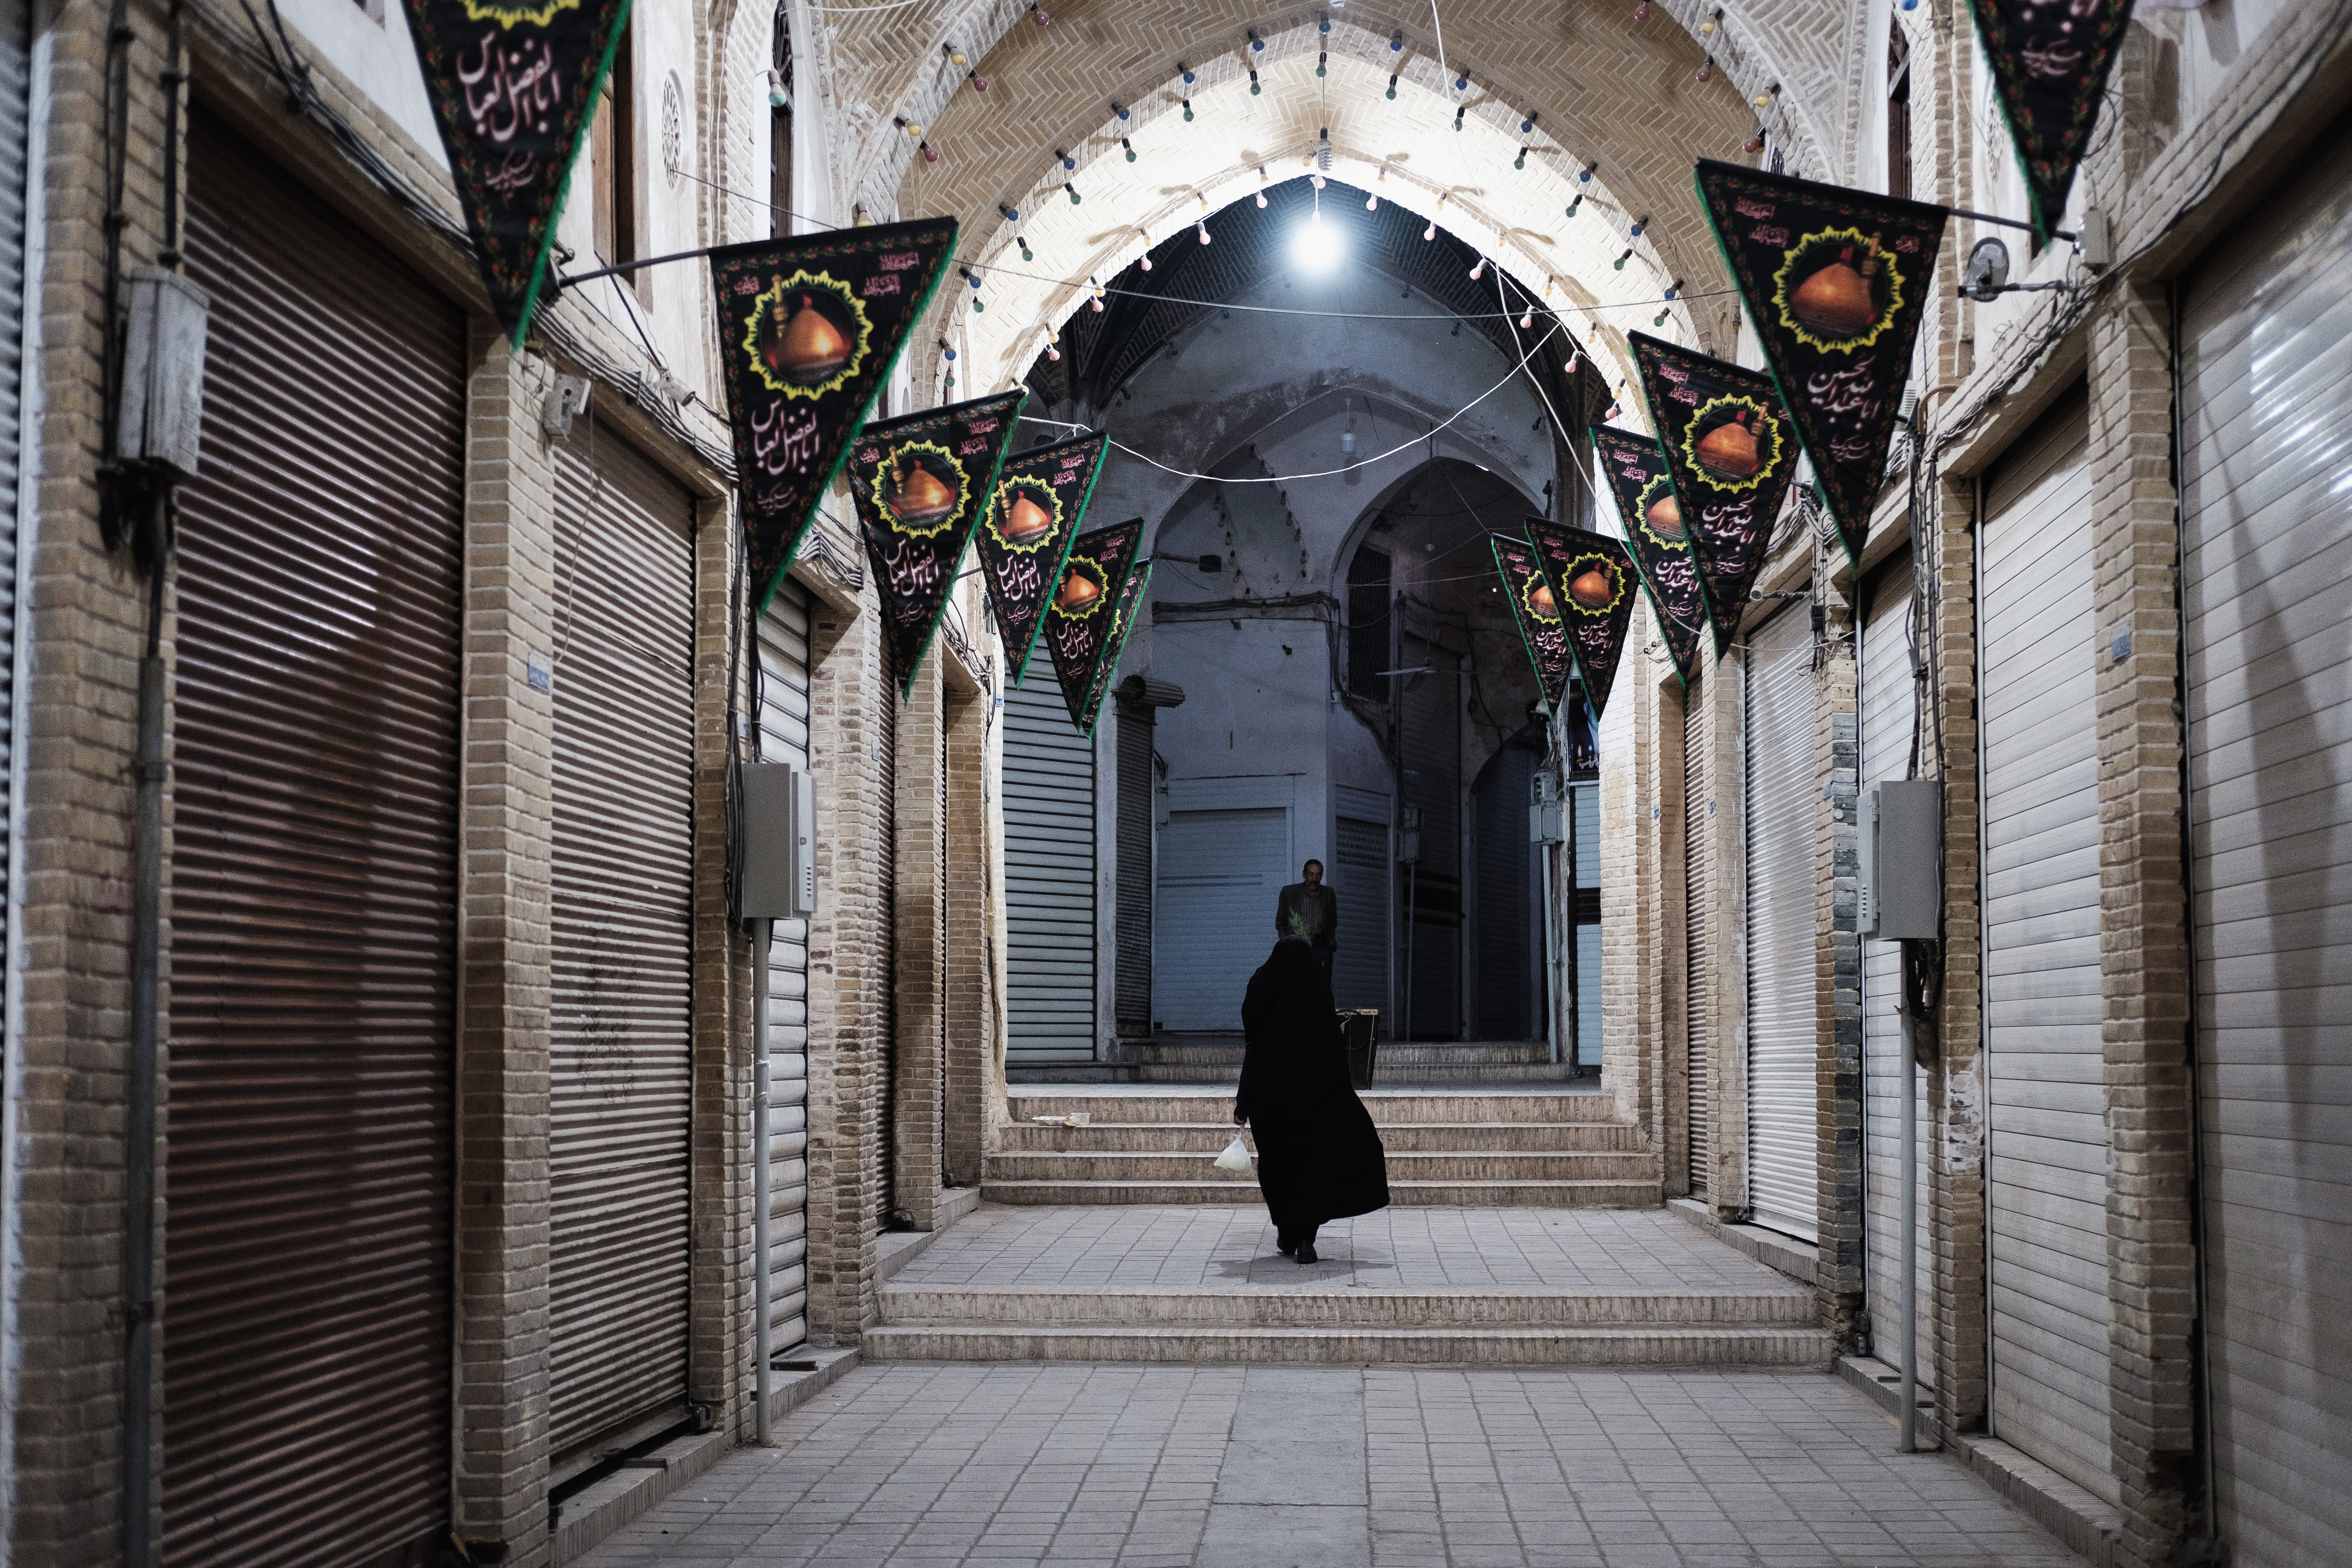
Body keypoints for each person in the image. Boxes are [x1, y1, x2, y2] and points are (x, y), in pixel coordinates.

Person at [1233, 936, 1389, 1264]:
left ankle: (1288, 1230)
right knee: (1312, 1169)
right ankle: (1305, 1239)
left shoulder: (1265, 989)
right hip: (1313, 1105)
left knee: (1280, 1168)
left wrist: (1243, 1104)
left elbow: (1254, 1044)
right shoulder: (1316, 998)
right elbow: (1334, 1058)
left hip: (1271, 1107)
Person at [1273, 858, 1339, 985]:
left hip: (1321, 944)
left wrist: (1330, 942)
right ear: (1304, 874)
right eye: (1311, 874)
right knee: (1296, 982)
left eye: (1318, 875)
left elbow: (1332, 921)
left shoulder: (1328, 893)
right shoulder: (1290, 892)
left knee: (1322, 985)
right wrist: (1287, 941)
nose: (1314, 878)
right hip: (1297, 944)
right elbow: (1281, 921)